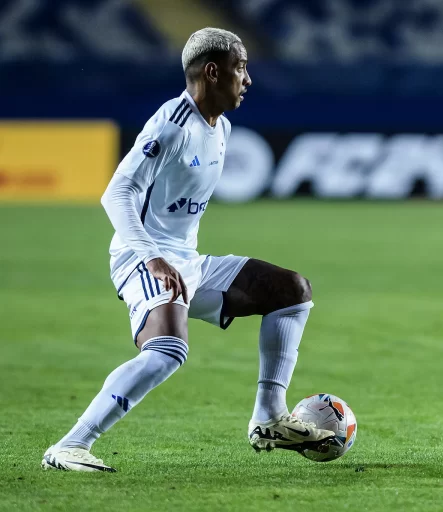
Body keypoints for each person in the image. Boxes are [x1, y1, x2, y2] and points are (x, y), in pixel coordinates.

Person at [42, 27, 334, 472]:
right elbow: (117, 193)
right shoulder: (171, 124)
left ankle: (270, 417)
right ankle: (69, 446)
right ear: (212, 72)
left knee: (292, 291)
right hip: (141, 257)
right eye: (241, 68)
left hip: (187, 262)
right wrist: (152, 258)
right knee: (166, 352)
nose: (248, 79)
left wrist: (176, 259)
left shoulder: (222, 126)